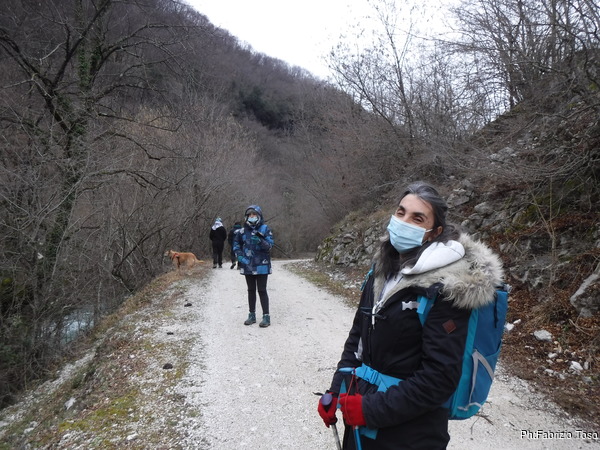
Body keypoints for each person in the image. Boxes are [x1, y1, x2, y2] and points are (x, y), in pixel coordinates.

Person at [317, 181, 504, 449]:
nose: (404, 222)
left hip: (411, 434)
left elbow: (439, 379)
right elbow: (357, 339)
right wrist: (337, 390)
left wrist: (369, 410)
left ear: (434, 232)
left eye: (418, 218)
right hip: (361, 418)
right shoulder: (381, 272)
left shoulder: (445, 288)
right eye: (401, 212)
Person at [233, 205, 274, 328]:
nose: (252, 217)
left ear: (259, 216)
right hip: (248, 264)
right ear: (246, 217)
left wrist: (261, 241)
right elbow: (236, 244)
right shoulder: (241, 231)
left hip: (262, 264)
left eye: (254, 214)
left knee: (262, 290)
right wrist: (239, 256)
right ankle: (252, 315)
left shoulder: (265, 229)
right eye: (249, 215)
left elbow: (270, 246)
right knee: (251, 290)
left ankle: (266, 316)